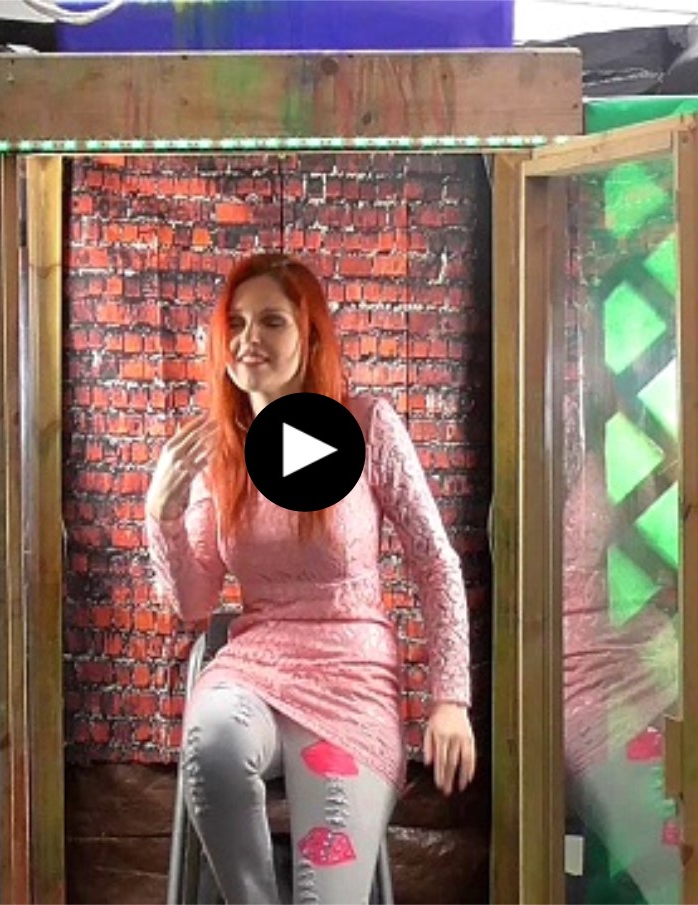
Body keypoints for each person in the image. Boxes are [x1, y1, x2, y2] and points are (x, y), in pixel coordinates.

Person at [146, 253, 476, 904]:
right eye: (236, 323)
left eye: (272, 321)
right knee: (212, 744)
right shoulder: (219, 456)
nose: (249, 339)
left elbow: (435, 563)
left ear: (310, 336)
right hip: (255, 670)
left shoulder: (368, 425)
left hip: (352, 682)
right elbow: (194, 601)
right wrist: (163, 512)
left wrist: (451, 700)